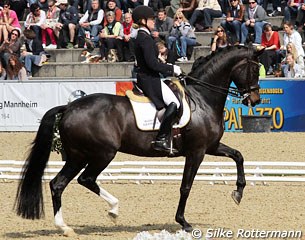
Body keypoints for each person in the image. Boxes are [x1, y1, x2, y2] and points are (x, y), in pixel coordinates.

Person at [132, 5, 183, 153]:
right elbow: (151, 64)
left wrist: (165, 64)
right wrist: (171, 68)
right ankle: (161, 138)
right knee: (174, 104)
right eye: (151, 19)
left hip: (148, 76)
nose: (154, 21)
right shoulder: (144, 38)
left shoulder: (142, 36)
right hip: (149, 79)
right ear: (143, 20)